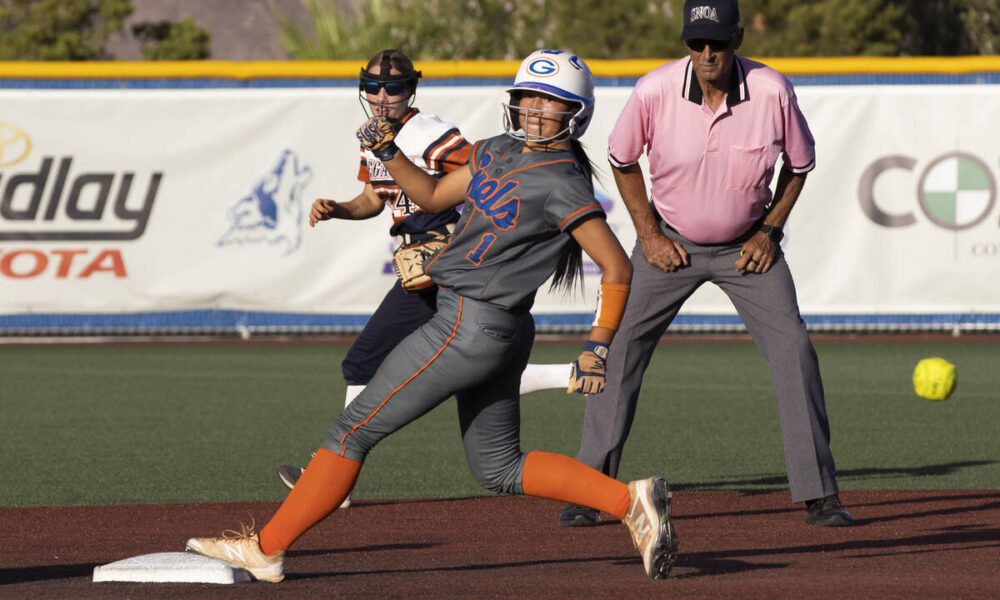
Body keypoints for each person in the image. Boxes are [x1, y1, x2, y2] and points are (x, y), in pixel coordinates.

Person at [186, 49, 679, 582]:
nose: (535, 109)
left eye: (551, 101)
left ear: (575, 112)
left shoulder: (562, 179)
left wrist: (597, 345)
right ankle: (630, 501)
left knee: (351, 431)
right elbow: (435, 193)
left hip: (468, 323)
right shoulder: (495, 150)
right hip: (493, 327)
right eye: (528, 96)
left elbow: (616, 266)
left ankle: (266, 548)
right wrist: (390, 153)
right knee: (498, 467)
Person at [558, 0, 853, 529]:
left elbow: (800, 164)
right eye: (697, 43)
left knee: (795, 350)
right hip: (668, 244)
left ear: (738, 37)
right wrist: (647, 234)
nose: (708, 52)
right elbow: (623, 162)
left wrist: (769, 230)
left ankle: (820, 495)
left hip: (747, 249)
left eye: (718, 41)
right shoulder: (653, 90)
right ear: (686, 43)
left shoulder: (771, 90)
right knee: (618, 351)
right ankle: (589, 489)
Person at [276, 49, 572, 504]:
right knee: (473, 370)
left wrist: (457, 233)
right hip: (427, 263)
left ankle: (330, 480)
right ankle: (567, 375)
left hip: (446, 260)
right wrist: (340, 209)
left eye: (393, 88)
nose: (382, 96)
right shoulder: (374, 137)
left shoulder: (429, 134)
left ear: (410, 90)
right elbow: (374, 198)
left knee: (364, 360)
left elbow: (493, 177)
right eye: (373, 87)